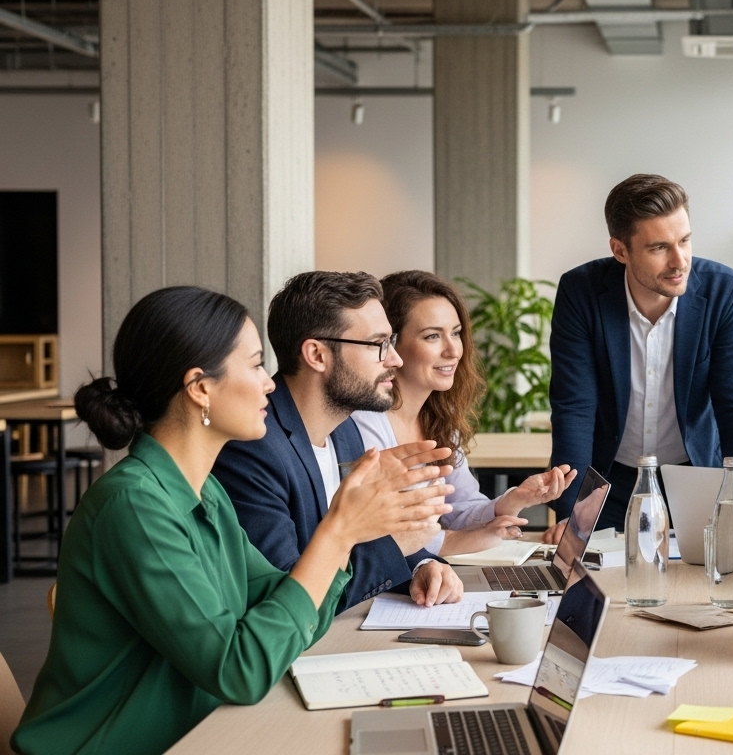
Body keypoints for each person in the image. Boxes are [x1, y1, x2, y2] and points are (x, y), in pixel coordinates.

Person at [11, 287, 453, 755]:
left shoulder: (206, 491)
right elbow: (239, 669)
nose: (269, 383)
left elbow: (285, 601)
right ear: (201, 388)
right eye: (257, 364)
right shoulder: (133, 506)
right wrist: (339, 530)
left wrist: (353, 534)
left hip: (197, 733)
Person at [213, 271, 463, 613]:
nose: (395, 359)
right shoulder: (253, 448)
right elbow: (289, 594)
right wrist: (396, 546)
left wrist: (423, 566)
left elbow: (362, 539)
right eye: (378, 345)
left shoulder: (344, 429)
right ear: (316, 355)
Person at [546, 173, 733, 538]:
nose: (679, 261)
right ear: (620, 250)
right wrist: (571, 514)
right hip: (608, 482)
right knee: (599, 587)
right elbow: (574, 409)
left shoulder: (725, 292)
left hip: (696, 477)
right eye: (659, 248)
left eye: (685, 240)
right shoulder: (581, 292)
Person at [352, 270, 577, 556]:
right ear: (391, 344)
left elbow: (460, 509)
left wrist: (515, 499)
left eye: (456, 333)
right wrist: (454, 542)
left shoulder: (438, 418)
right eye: (432, 336)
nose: (453, 351)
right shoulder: (365, 423)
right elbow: (384, 538)